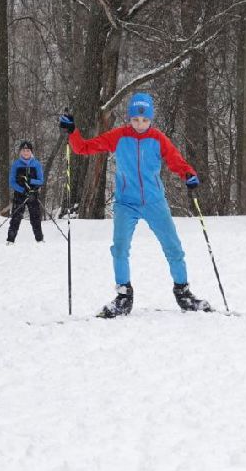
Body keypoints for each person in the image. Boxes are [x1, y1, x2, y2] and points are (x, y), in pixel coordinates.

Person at [59, 93, 208, 318]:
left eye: (145, 120)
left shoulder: (158, 139)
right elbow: (84, 148)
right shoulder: (119, 136)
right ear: (129, 118)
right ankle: (123, 296)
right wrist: (72, 132)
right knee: (119, 249)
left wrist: (188, 174)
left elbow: (175, 160)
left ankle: (183, 292)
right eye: (135, 120)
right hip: (125, 203)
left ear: (151, 119)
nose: (140, 124)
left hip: (154, 202)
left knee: (173, 247)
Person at [6, 140, 45, 244]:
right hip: (19, 195)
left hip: (33, 195)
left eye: (28, 150)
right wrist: (22, 190)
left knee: (35, 218)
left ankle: (40, 240)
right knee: (16, 218)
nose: (25, 152)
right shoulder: (16, 164)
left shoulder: (36, 164)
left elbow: (41, 181)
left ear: (31, 152)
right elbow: (11, 182)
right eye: (23, 150)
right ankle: (10, 240)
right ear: (20, 152)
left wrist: (30, 181)